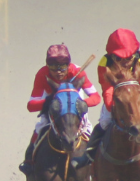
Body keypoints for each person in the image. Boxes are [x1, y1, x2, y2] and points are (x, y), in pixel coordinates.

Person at [83, 28, 140, 170]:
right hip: (118, 97)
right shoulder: (104, 63)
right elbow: (107, 89)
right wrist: (112, 105)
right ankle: (88, 155)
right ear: (111, 56)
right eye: (118, 58)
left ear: (135, 54)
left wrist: (139, 107)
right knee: (105, 121)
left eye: (128, 58)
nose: (124, 62)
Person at [18, 44, 101, 174]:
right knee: (41, 126)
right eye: (53, 67)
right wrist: (51, 102)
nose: (58, 72)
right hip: (54, 108)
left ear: (68, 65)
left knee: (87, 129)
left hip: (75, 108)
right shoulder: (42, 74)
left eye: (62, 67)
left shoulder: (77, 71)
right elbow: (31, 105)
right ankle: (29, 159)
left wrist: (78, 103)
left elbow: (96, 97)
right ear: (47, 66)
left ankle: (96, 162)